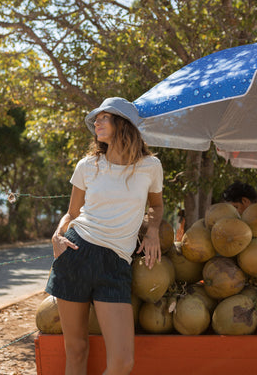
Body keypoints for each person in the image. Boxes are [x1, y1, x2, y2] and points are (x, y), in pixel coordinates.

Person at [45, 97, 164, 375]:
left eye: (104, 117)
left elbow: (156, 206)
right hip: (77, 252)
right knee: (76, 351)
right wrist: (56, 235)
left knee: (123, 362)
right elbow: (72, 214)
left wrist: (154, 229)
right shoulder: (88, 165)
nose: (96, 121)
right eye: (96, 118)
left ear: (123, 124)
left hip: (116, 263)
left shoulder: (150, 166)